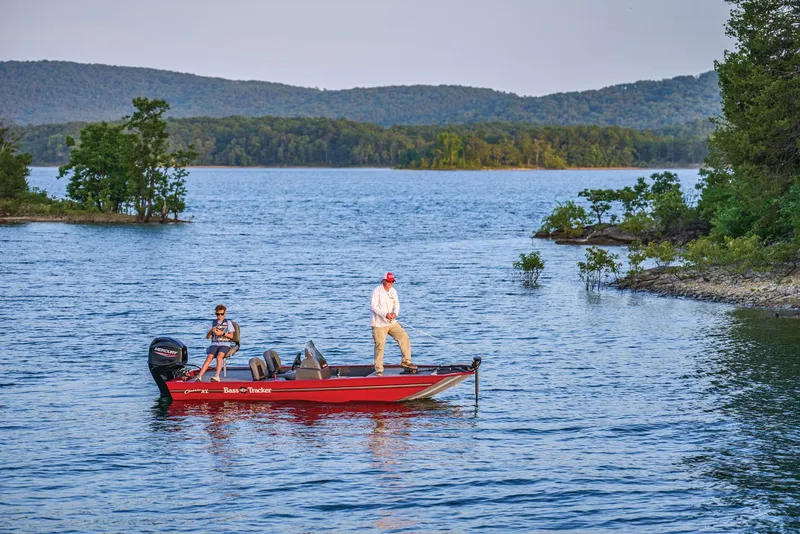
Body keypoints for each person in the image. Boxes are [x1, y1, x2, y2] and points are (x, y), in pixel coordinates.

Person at [370, 272, 416, 376]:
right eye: (389, 281)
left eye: (392, 281)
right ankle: (379, 369)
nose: (391, 283)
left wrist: (395, 313)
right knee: (380, 346)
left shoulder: (393, 291)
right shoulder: (376, 291)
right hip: (378, 324)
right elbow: (373, 306)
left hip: (392, 323)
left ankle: (406, 362)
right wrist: (385, 314)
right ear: (384, 281)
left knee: (404, 337)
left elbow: (397, 304)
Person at [197, 304, 236, 382]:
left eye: (221, 314)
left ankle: (217, 376)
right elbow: (207, 337)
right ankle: (199, 376)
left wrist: (222, 333)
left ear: (225, 314)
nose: (220, 316)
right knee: (209, 357)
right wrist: (211, 331)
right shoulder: (212, 323)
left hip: (225, 344)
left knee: (219, 357)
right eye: (218, 314)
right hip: (215, 344)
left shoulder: (228, 323)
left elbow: (231, 336)